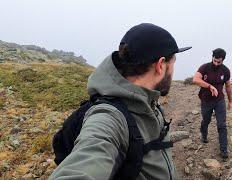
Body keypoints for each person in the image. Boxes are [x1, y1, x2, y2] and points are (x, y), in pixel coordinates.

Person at [49, 23, 191, 180]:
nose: (173, 69)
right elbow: (87, 159)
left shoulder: (146, 99)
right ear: (160, 65)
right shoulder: (109, 118)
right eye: (173, 62)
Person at [192, 48, 232, 160]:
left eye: (218, 62)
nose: (216, 63)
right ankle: (204, 135)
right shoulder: (205, 67)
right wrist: (209, 86)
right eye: (214, 60)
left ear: (223, 60)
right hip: (206, 101)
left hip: (219, 101)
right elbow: (195, 79)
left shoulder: (226, 71)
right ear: (212, 58)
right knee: (206, 121)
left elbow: (228, 87)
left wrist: (230, 101)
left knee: (222, 125)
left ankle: (224, 149)